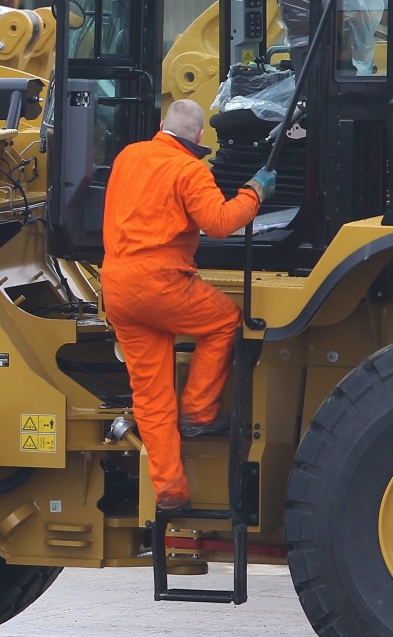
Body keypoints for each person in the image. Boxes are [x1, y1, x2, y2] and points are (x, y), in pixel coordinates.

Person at [101, 99, 275, 511]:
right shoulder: (190, 169)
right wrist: (256, 191)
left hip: (118, 288)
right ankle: (198, 412)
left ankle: (170, 492)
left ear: (162, 125)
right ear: (199, 137)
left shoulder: (129, 155)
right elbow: (218, 223)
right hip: (162, 284)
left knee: (150, 396)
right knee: (224, 322)